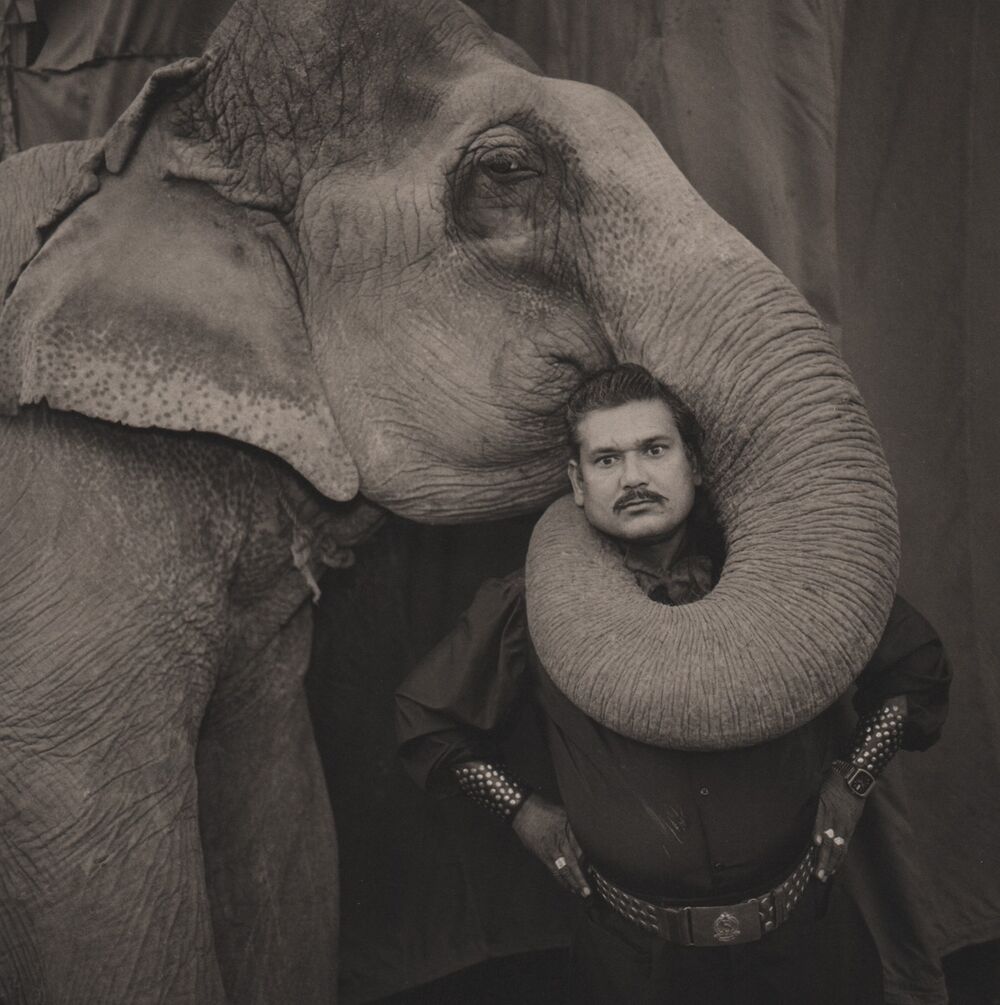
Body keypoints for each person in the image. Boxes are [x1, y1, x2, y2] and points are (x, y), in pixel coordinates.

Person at [395, 364, 950, 1004]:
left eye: (654, 450)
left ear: (695, 464)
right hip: (637, 969)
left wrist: (855, 780)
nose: (633, 478)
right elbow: (426, 723)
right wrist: (523, 813)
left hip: (806, 947)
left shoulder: (790, 572)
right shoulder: (536, 604)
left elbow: (916, 670)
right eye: (606, 459)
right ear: (577, 484)